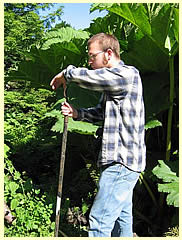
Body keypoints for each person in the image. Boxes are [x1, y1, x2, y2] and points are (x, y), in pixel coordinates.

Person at [50, 33, 146, 237]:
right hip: (122, 163)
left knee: (99, 222)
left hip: (121, 162)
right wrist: (77, 113)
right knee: (122, 223)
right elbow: (101, 113)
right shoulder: (112, 84)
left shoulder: (126, 75)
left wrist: (66, 74)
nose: (89, 61)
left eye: (92, 56)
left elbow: (91, 77)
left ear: (109, 54)